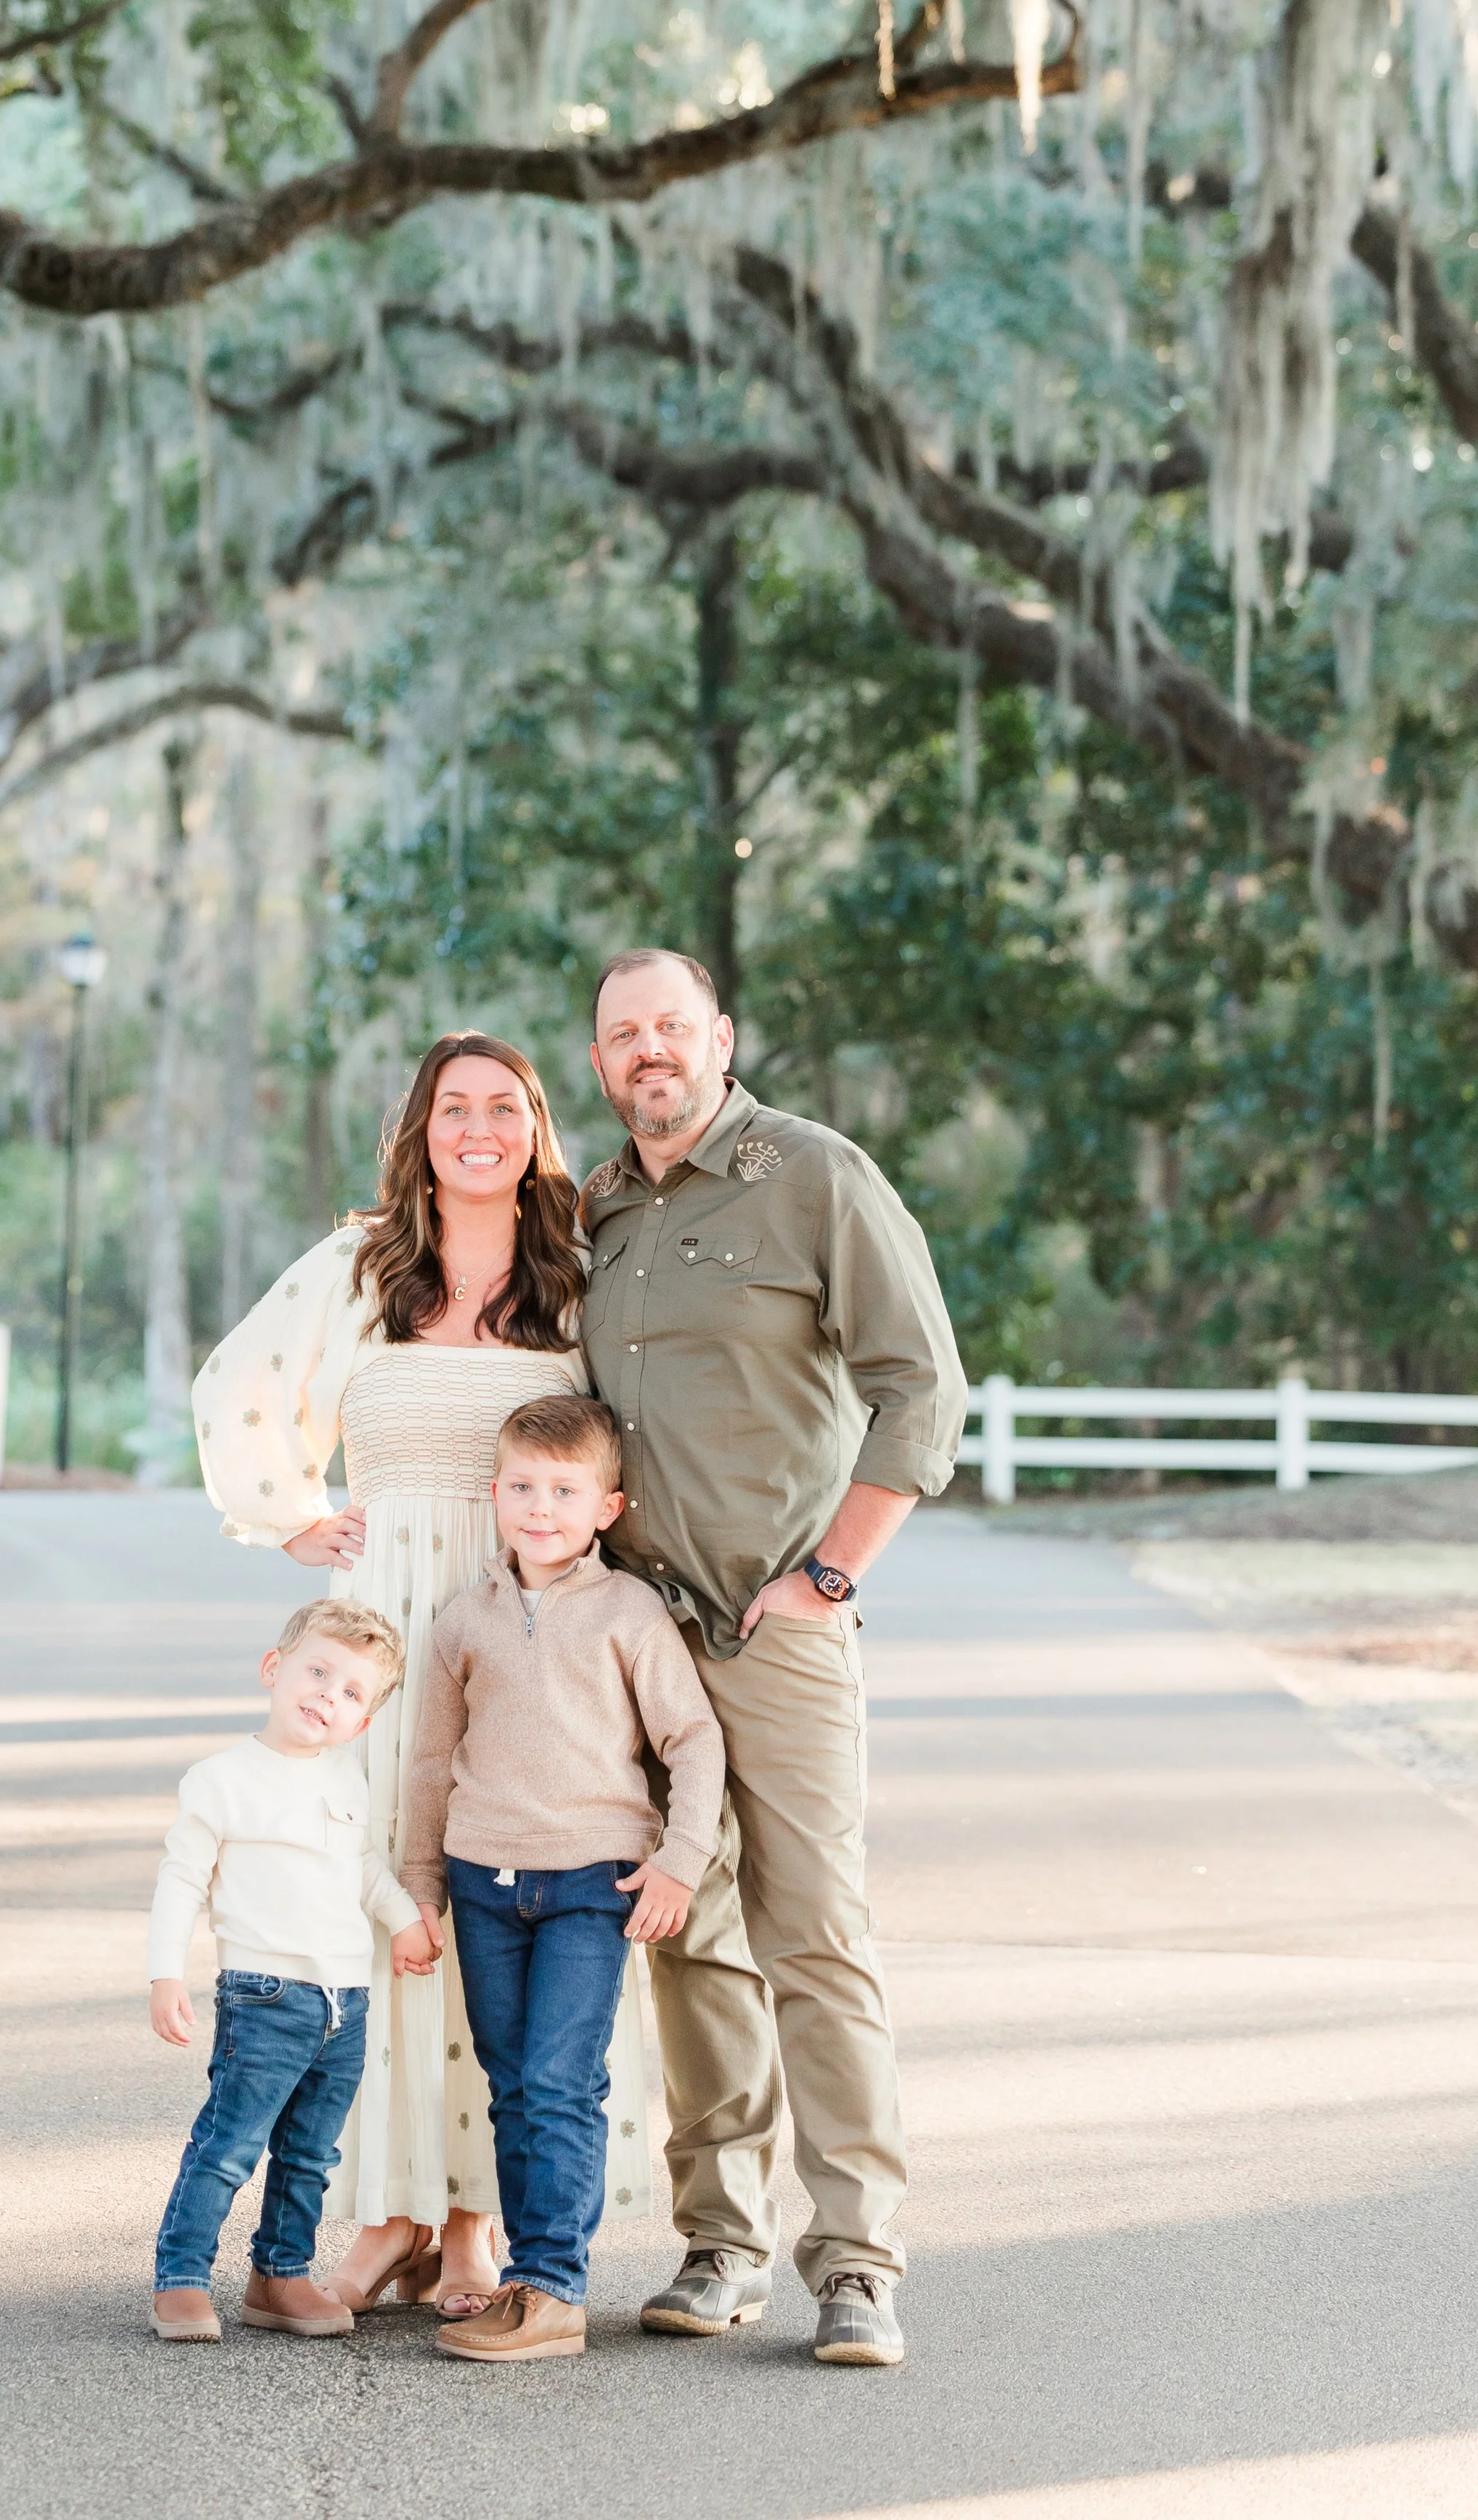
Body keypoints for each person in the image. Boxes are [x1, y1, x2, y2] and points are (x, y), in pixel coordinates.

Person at [189, 1033, 656, 2319]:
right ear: (421, 1128)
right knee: (382, 1902)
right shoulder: (360, 1267)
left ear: (536, 1127)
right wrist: (288, 1512)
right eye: (455, 1107)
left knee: (496, 1895)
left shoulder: (576, 1266)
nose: (479, 1126)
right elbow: (240, 1381)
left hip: (527, 1625)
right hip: (388, 1617)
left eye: (504, 1106)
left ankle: (470, 2221)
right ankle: (380, 2211)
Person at [580, 947, 968, 2369]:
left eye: (669, 1027)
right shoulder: (597, 1211)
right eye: (622, 1036)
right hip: (643, 1639)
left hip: (777, 1628)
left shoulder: (813, 1176)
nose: (647, 1053)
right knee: (684, 1939)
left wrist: (829, 1574)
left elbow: (917, 1385)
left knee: (813, 1937)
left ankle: (857, 2264)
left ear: (719, 1038)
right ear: (603, 1058)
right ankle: (718, 2243)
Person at [401, 1395, 726, 2363]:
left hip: (594, 1880)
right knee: (511, 2084)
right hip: (483, 1882)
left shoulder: (628, 1611)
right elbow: (428, 1760)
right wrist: (422, 1882)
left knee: (557, 2080)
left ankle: (553, 2287)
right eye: (524, 1488)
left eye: (565, 1490)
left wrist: (680, 1858)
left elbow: (693, 1737)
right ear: (495, 1493)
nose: (541, 1508)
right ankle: (524, 2279)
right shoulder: (464, 1616)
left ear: (608, 1507)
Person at [146, 1597, 438, 2342]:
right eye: (317, 1672)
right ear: (274, 1670)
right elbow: (181, 1879)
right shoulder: (221, 1779)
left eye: (350, 1694)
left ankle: (280, 2276)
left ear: (363, 1722)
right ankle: (180, 2278)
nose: (327, 1697)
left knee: (311, 2154)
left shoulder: (346, 1779)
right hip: (265, 1996)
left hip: (346, 2001)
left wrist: (404, 1919)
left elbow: (364, 1868)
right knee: (230, 2144)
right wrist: (166, 1975)